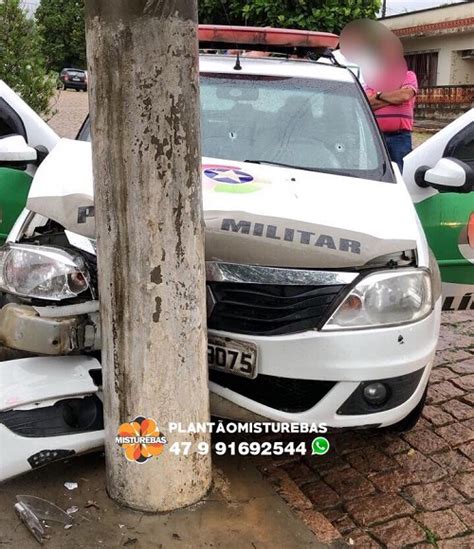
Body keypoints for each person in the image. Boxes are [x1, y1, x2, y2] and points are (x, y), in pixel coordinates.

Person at [365, 70, 418, 172]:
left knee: (399, 172)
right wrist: (394, 99)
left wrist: (378, 94)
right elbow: (367, 102)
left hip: (399, 137)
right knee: (376, 173)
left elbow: (404, 96)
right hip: (376, 137)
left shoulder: (407, 75)